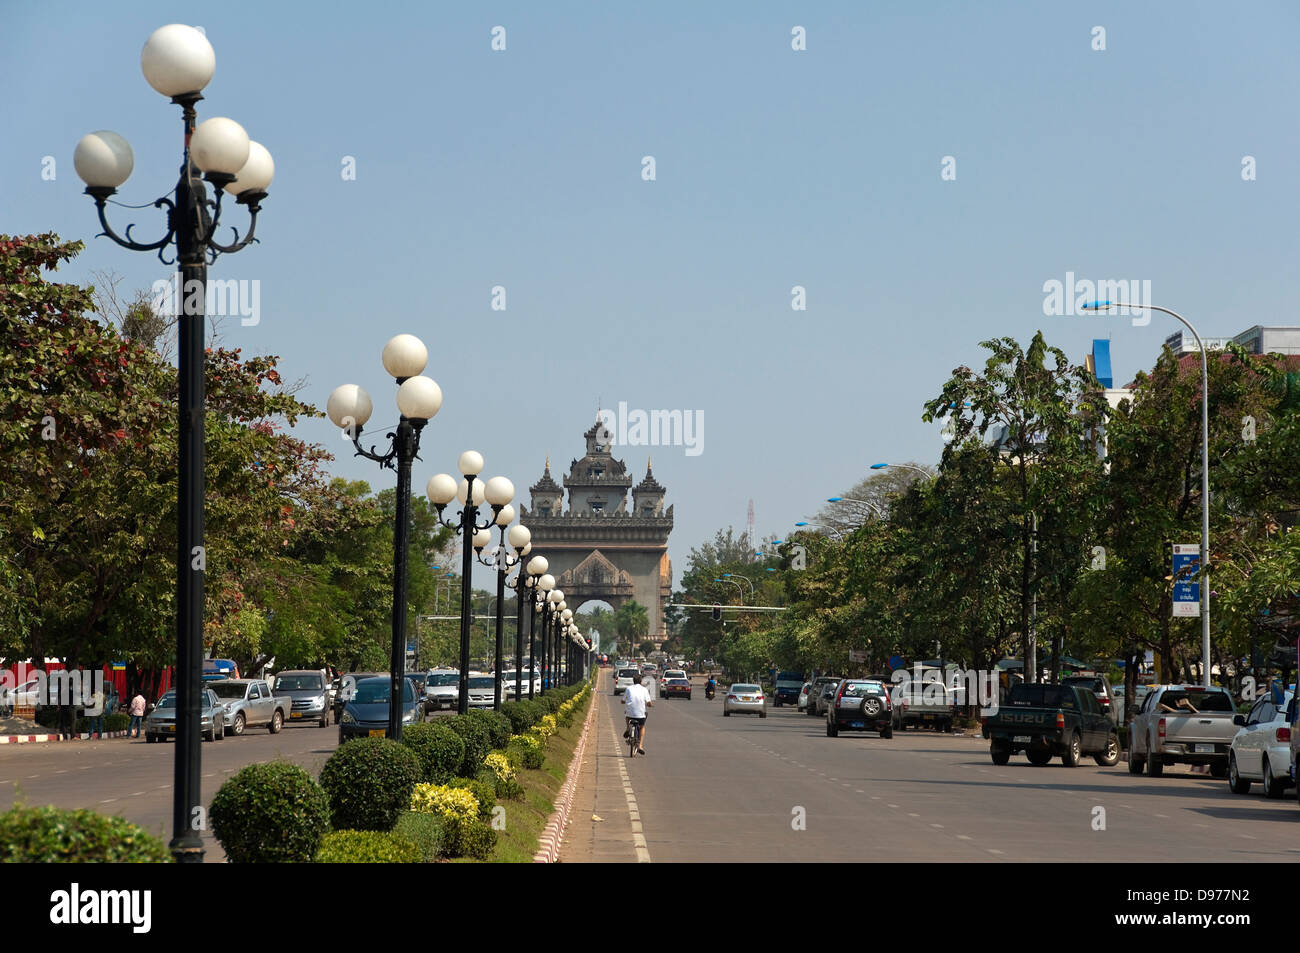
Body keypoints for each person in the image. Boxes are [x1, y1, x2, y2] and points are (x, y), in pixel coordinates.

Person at [621, 674, 653, 756]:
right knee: (642, 727)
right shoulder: (644, 690)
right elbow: (649, 702)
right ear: (641, 681)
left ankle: (628, 728)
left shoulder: (629, 689)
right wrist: (650, 704)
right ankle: (640, 746)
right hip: (640, 715)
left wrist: (624, 701)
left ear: (633, 681)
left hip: (630, 713)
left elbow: (623, 700)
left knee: (627, 714)